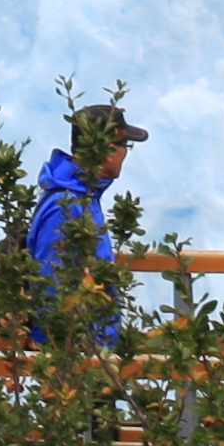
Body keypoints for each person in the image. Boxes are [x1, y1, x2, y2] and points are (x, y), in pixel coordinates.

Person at [27, 101, 146, 341]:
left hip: (88, 354)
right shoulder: (68, 205)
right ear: (107, 149)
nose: (125, 153)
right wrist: (59, 352)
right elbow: (50, 283)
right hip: (76, 356)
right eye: (124, 144)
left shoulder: (82, 195)